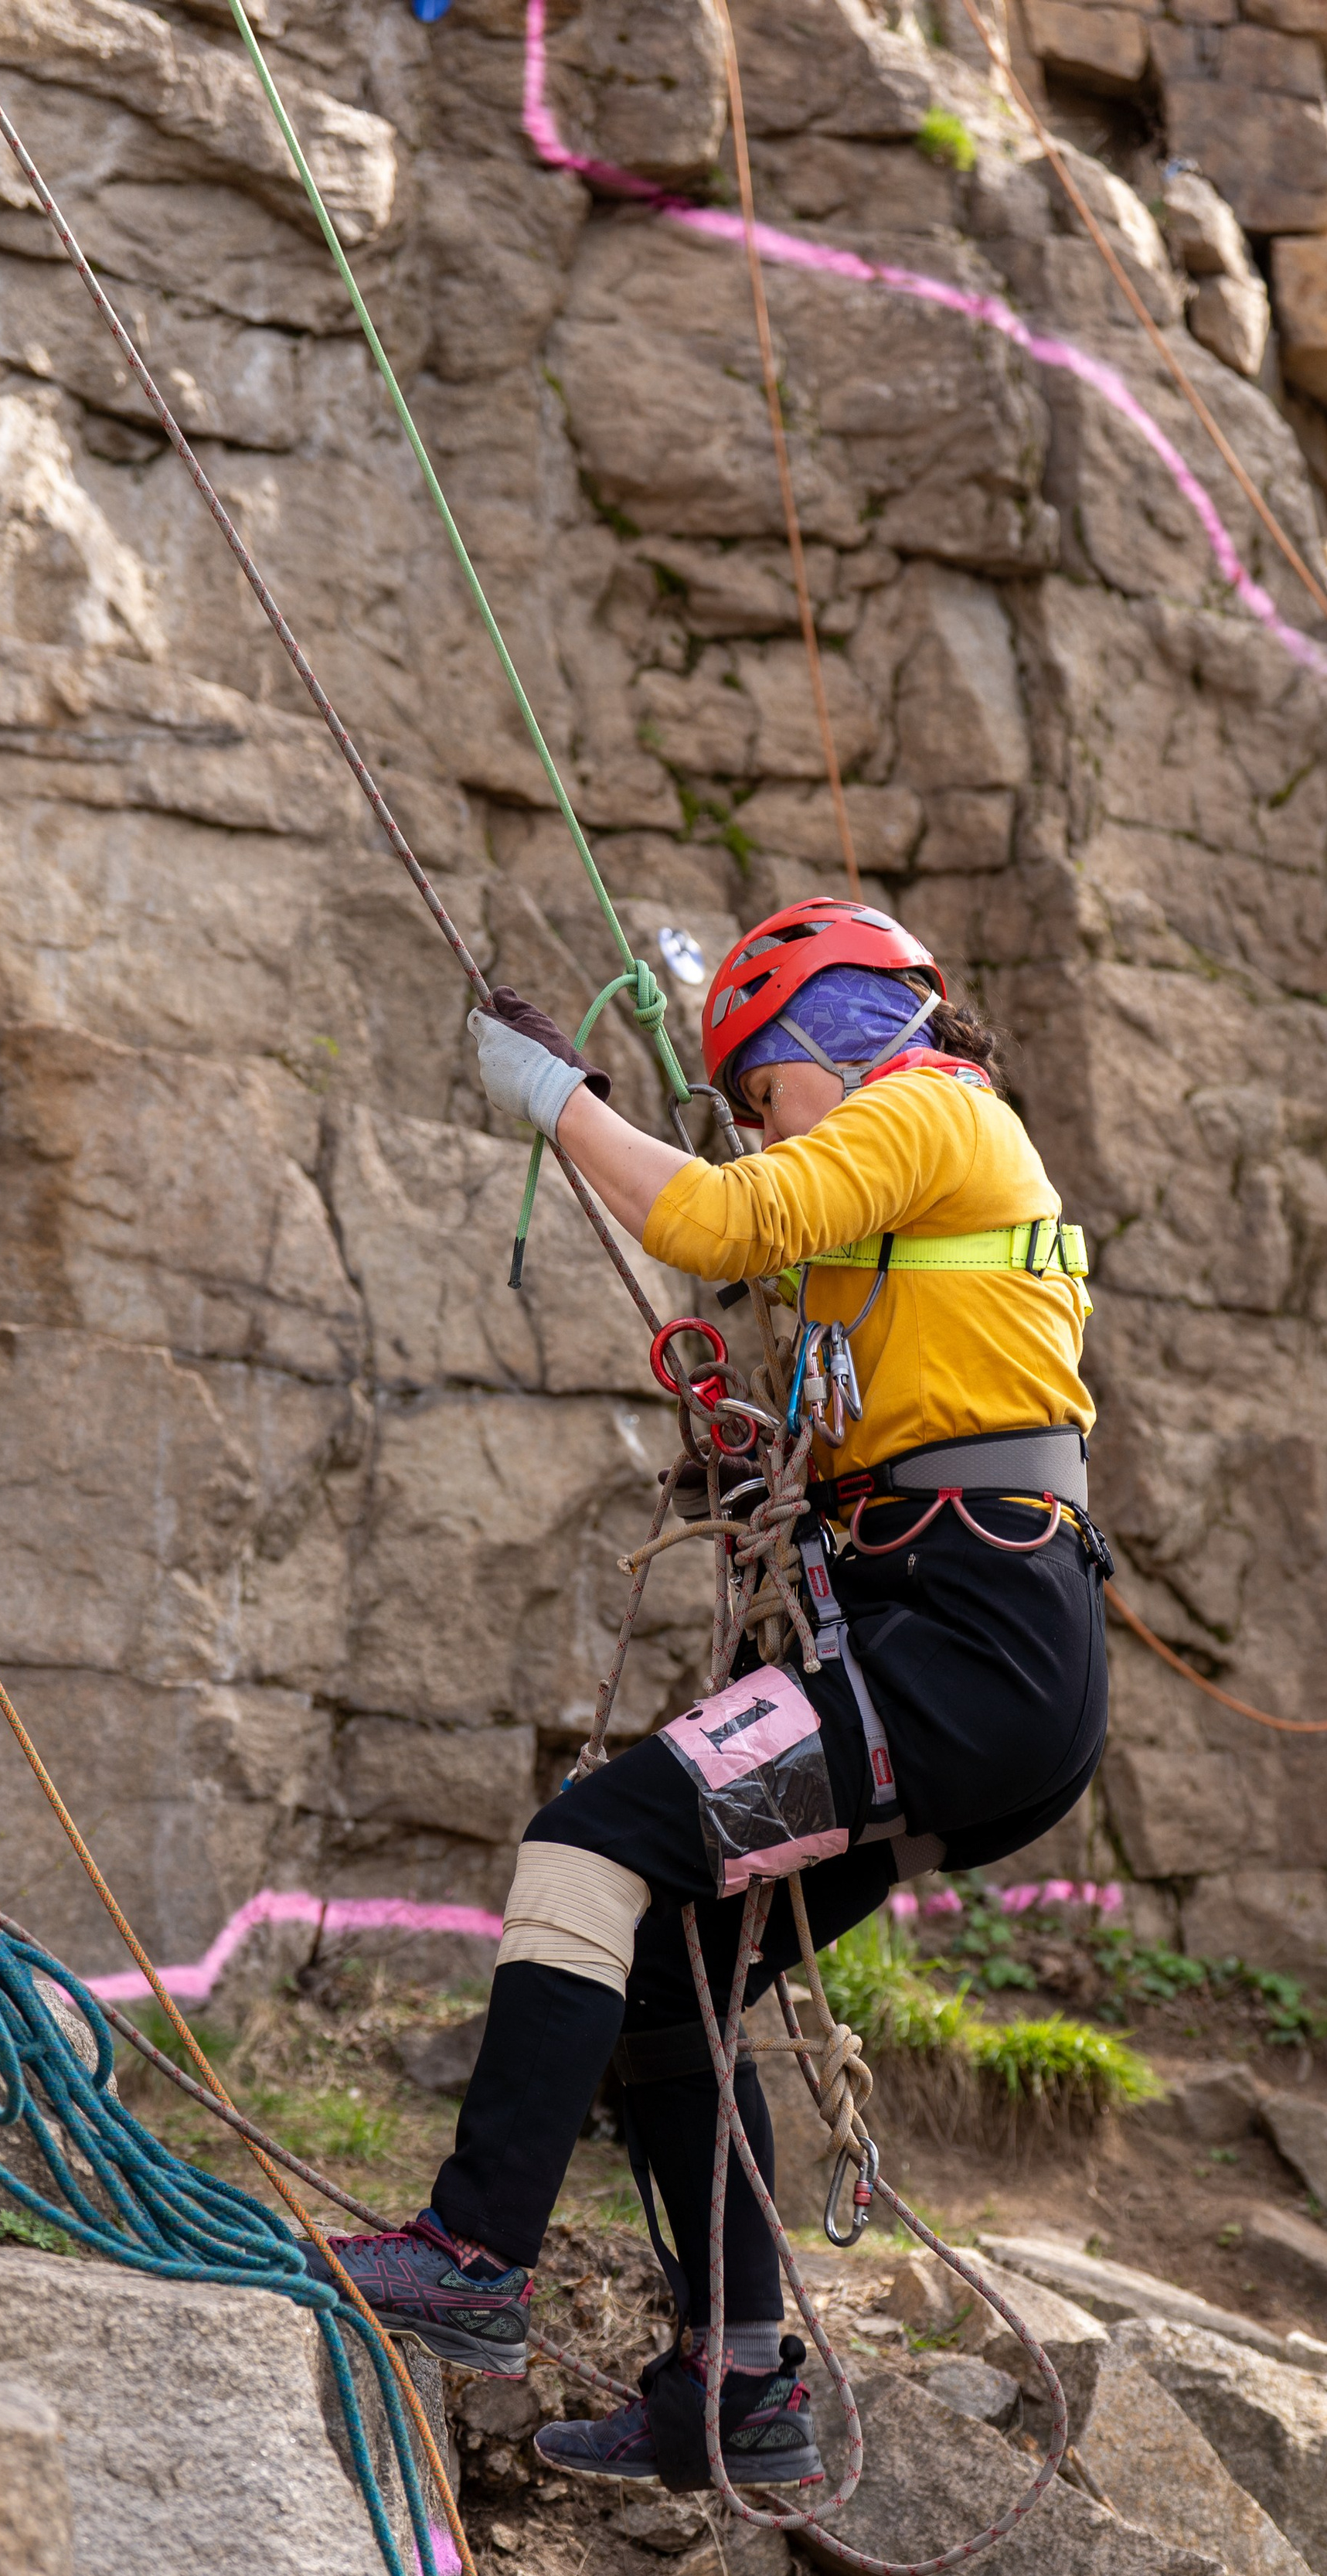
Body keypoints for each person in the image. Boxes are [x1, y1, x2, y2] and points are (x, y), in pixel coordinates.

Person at [308, 899, 1106, 2489]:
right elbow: (889, 1378)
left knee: (586, 1846)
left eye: (760, 1089)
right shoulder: (912, 1194)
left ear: (834, 1033)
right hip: (959, 1641)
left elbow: (718, 1222)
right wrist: (784, 1475)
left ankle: (472, 2257)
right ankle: (737, 2385)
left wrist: (558, 1101)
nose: (757, 1125)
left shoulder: (932, 1108)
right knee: (671, 1979)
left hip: (968, 1638)